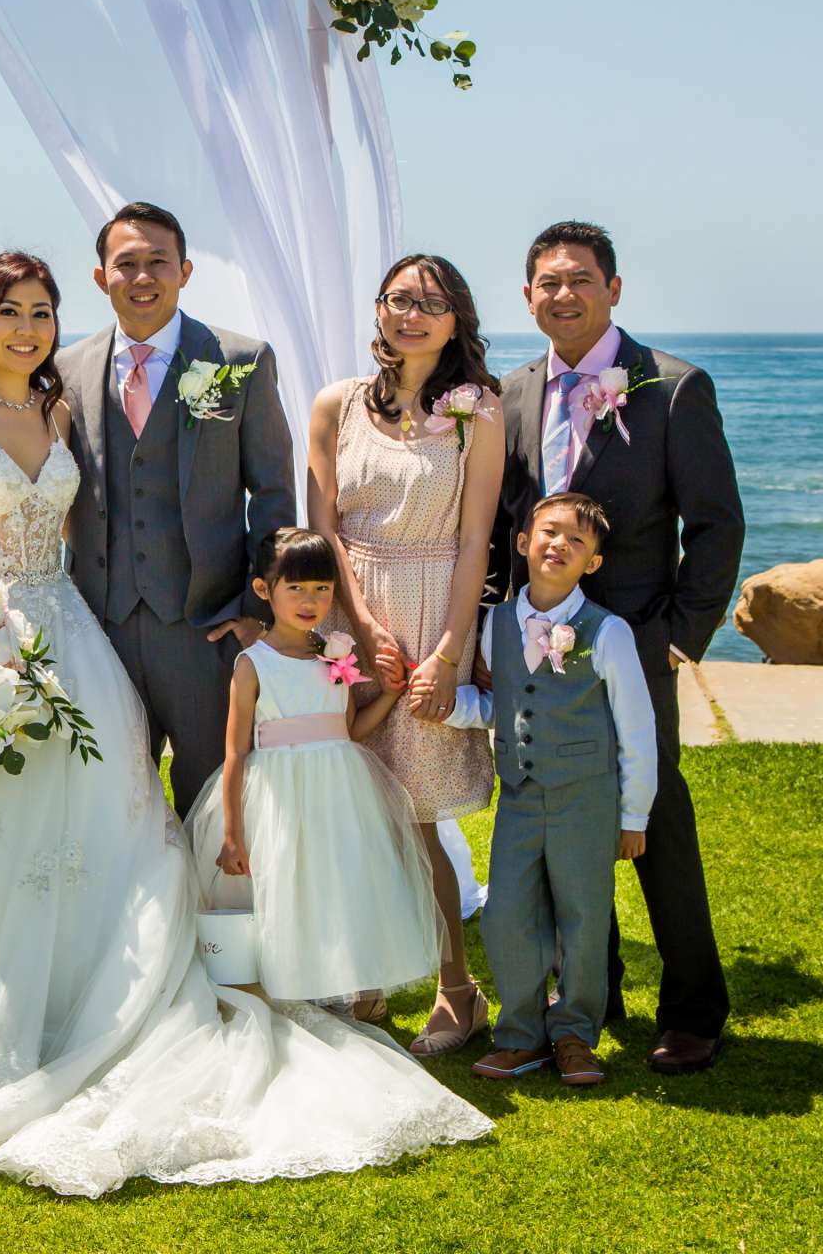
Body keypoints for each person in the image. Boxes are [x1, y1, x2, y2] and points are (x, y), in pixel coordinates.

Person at [0, 252, 489, 1198]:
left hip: (75, 643)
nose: (28, 328)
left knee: (98, 835)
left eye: (40, 311)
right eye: (9, 312)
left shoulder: (60, 409)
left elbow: (210, 496)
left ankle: (98, 1002)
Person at [492, 220, 745, 1075]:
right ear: (527, 296)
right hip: (539, 649)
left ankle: (694, 1010)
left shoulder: (672, 388)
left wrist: (675, 639)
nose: (564, 294)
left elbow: (716, 527)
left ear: (614, 288)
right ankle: (586, 1001)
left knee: (657, 818)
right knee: (561, 815)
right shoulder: (511, 393)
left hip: (632, 649)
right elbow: (504, 528)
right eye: (547, 283)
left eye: (580, 280)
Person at [305, 252, 504, 1057]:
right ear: (378, 310)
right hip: (349, 625)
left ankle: (460, 992)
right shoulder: (335, 404)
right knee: (348, 803)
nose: (410, 314)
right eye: (398, 299)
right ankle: (367, 976)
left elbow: (475, 541)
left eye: (430, 302)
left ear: (457, 319)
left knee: (419, 818)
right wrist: (356, 623)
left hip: (433, 611)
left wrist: (448, 653)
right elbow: (322, 527)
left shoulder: (477, 413)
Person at [60, 203, 296, 812]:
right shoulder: (63, 369)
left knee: (214, 795)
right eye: (126, 264)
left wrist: (256, 611)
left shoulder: (241, 361)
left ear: (185, 271)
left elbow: (273, 495)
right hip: (99, 625)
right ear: (99, 277)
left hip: (206, 627)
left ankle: (215, 908)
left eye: (158, 262)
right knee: (110, 796)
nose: (143, 278)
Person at [446, 493, 656, 1087]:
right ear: (522, 542)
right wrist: (448, 707)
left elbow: (637, 727)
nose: (559, 545)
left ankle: (574, 1034)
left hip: (586, 800)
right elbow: (497, 705)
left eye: (576, 540)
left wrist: (633, 815)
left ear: (592, 562)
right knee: (507, 914)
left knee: (584, 916)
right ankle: (521, 1034)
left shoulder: (606, 631)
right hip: (521, 794)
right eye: (549, 532)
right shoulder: (495, 624)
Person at [186, 528, 444, 1005]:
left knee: (346, 882)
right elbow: (236, 752)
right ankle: (292, 982)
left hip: (339, 790)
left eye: (322, 589)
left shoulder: (334, 653)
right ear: (265, 590)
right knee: (291, 885)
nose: (311, 600)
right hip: (279, 794)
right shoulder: (253, 664)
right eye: (296, 588)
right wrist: (231, 833)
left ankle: (360, 981)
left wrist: (389, 692)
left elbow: (349, 728)